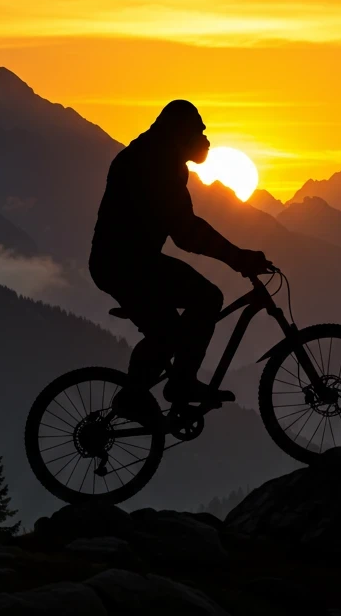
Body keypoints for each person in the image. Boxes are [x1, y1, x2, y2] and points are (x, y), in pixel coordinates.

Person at [89, 100, 271, 406]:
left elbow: (184, 229)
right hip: (127, 265)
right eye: (199, 132)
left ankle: (141, 394)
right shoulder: (157, 164)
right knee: (205, 300)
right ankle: (174, 387)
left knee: (168, 331)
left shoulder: (155, 156)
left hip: (124, 262)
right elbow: (186, 232)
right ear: (180, 133)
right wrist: (238, 258)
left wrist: (236, 257)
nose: (206, 141)